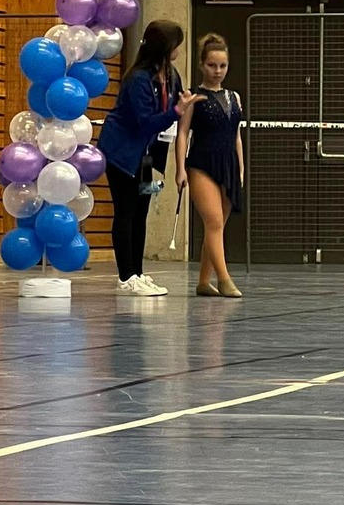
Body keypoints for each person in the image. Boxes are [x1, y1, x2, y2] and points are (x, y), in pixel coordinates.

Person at [98, 20, 204, 296]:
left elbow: (178, 102)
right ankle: (125, 277)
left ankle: (138, 273)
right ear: (164, 47)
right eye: (176, 44)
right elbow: (145, 122)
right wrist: (177, 111)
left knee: (141, 212)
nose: (179, 49)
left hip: (146, 157)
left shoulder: (170, 74)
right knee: (126, 211)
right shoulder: (138, 79)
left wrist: (187, 103)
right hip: (122, 154)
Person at [175, 33, 244, 298]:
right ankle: (224, 279)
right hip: (201, 164)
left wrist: (240, 168)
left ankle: (204, 281)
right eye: (212, 65)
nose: (217, 71)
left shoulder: (234, 97)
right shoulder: (194, 97)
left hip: (227, 164)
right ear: (202, 65)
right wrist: (180, 168)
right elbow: (182, 134)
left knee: (216, 227)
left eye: (222, 65)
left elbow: (236, 136)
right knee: (214, 221)